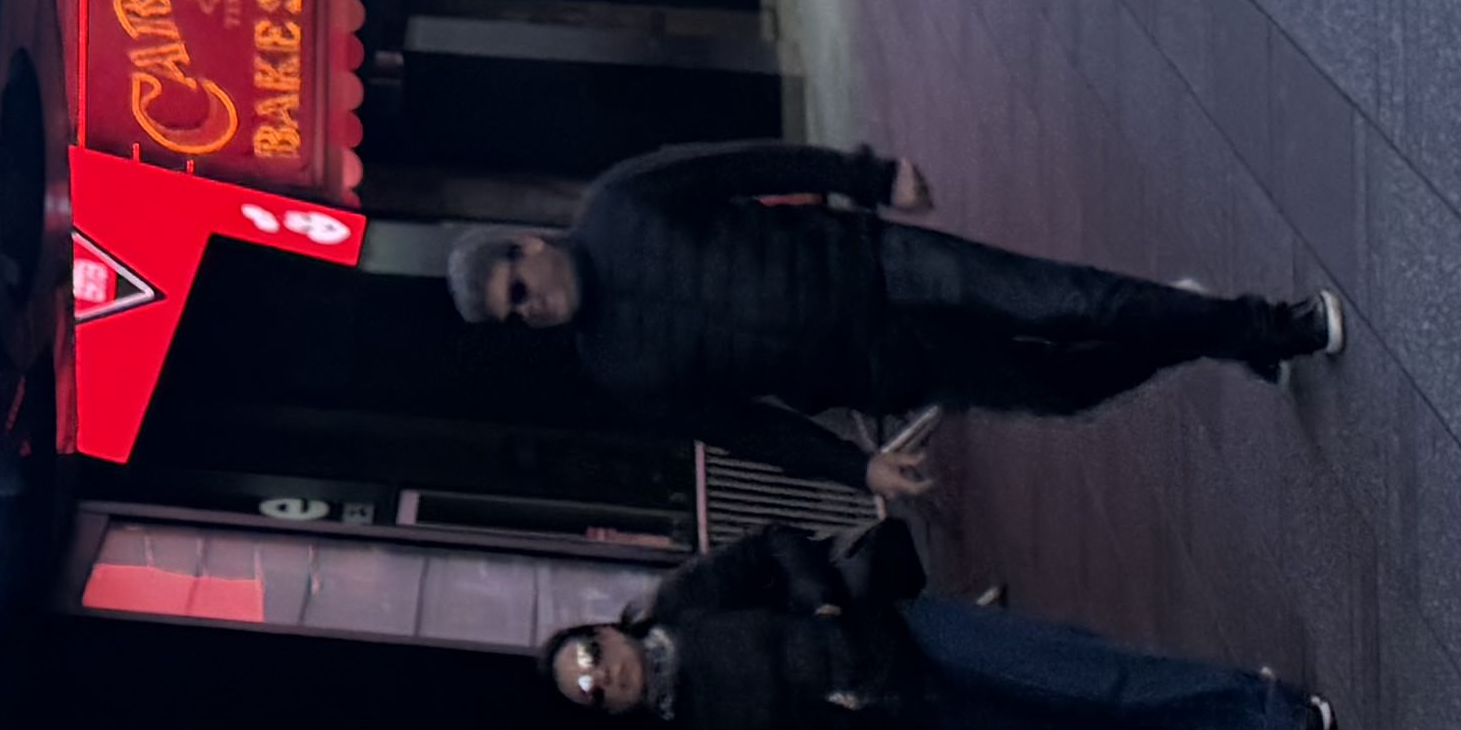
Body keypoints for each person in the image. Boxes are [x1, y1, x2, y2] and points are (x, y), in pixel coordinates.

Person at [448, 142, 1324, 483]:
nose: (532, 308)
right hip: (877, 367)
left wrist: (870, 179)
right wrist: (853, 467)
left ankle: (1267, 327)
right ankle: (1197, 328)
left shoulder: (619, 201)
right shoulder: (616, 368)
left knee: (1068, 301)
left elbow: (746, 168)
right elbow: (744, 429)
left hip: (878, 264)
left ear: (530, 245)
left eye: (518, 288)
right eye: (514, 317)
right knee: (1064, 392)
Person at [545, 513, 1340, 730]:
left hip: (907, 638)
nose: (600, 677)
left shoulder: (685, 602)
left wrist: (824, 607)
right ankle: (1239, 718)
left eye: (590, 657)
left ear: (606, 631)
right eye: (589, 692)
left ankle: (1274, 715)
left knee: (1095, 677)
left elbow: (775, 547)